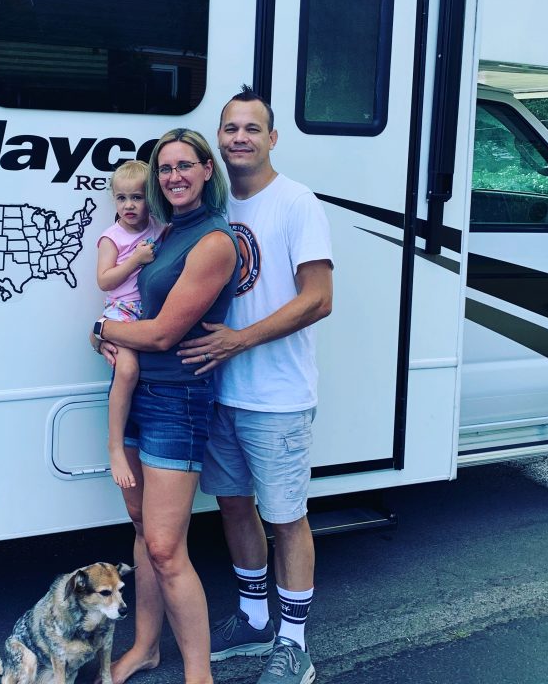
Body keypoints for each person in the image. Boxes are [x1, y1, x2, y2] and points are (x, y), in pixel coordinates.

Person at [177, 87, 334, 684]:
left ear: (272, 139)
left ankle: (295, 646)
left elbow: (319, 299)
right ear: (218, 139)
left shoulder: (296, 203)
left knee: (286, 518)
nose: (239, 137)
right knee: (234, 506)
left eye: (252, 128)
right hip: (220, 394)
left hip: (278, 397)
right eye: (229, 128)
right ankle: (253, 617)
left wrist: (238, 342)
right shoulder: (215, 210)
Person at [91, 128, 240, 684]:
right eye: (163, 169)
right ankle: (147, 648)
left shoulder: (214, 240)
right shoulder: (167, 230)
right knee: (140, 526)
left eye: (184, 166)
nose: (173, 176)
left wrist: (102, 327)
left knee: (165, 546)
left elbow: (161, 336)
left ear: (207, 170)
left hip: (176, 398)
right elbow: (133, 316)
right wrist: (108, 331)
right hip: (135, 395)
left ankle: (198, 674)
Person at [95, 160, 163, 489]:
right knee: (126, 371)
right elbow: (105, 281)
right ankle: (115, 445)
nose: (129, 205)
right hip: (121, 311)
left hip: (147, 312)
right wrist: (135, 259)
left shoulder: (158, 228)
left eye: (137, 197)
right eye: (121, 198)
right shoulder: (112, 237)